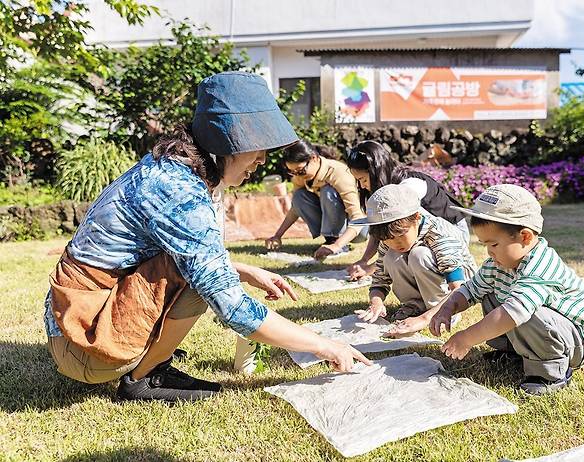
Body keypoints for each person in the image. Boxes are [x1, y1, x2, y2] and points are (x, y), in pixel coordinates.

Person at [44, 72, 371, 403]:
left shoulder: (171, 168)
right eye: (257, 149)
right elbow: (232, 307)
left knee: (201, 269)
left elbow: (188, 253)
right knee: (201, 282)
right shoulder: (178, 192)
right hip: (84, 343)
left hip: (76, 327)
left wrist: (247, 270)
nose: (260, 162)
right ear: (227, 142)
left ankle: (150, 361)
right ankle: (144, 377)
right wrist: (324, 344)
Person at [419, 184, 584, 395]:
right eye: (485, 245)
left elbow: (510, 315)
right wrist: (448, 309)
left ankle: (551, 372)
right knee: (492, 294)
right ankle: (515, 352)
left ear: (525, 237)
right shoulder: (497, 265)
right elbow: (471, 290)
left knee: (521, 312)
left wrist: (466, 338)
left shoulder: (540, 268)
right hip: (556, 332)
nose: (489, 252)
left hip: (580, 341)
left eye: (493, 245)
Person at [352, 184, 477, 324]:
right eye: (387, 239)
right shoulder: (388, 238)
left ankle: (443, 312)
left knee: (419, 254)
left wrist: (424, 320)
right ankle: (415, 305)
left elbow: (458, 287)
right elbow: (380, 279)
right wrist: (376, 303)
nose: (394, 243)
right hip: (430, 281)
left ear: (416, 217)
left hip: (458, 289)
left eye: (400, 235)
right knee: (392, 257)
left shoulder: (440, 234)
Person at [344, 140, 468, 281]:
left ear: (376, 171)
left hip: (451, 236)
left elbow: (406, 235)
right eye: (358, 181)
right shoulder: (381, 193)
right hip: (424, 236)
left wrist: (371, 268)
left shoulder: (408, 187)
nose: (362, 185)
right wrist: (364, 260)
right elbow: (379, 228)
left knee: (411, 255)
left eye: (363, 179)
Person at [265, 140, 368, 260]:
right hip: (336, 224)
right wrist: (277, 236)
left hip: (359, 229)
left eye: (300, 170)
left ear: (314, 158)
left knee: (327, 191)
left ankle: (335, 242)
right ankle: (330, 239)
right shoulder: (300, 176)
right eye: (292, 172)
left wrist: (337, 245)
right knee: (298, 196)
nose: (298, 175)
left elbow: (358, 218)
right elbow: (295, 208)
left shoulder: (338, 173)